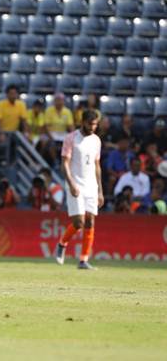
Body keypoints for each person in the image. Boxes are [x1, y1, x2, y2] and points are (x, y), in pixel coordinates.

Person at [55, 110, 104, 270]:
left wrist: (100, 191)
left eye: (95, 124)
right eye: (90, 123)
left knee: (90, 221)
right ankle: (62, 243)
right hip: (75, 184)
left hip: (91, 185)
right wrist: (71, 184)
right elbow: (65, 163)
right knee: (79, 222)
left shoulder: (96, 140)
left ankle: (83, 260)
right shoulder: (71, 138)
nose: (93, 127)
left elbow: (97, 166)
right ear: (82, 122)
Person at [44, 93, 75, 166]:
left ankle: (68, 163)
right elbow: (46, 127)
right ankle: (56, 162)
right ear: (54, 101)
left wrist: (73, 136)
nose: (59, 102)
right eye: (57, 100)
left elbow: (70, 126)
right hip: (52, 133)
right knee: (51, 144)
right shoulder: (49, 110)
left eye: (61, 100)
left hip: (63, 133)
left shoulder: (67, 112)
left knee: (72, 143)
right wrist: (51, 137)